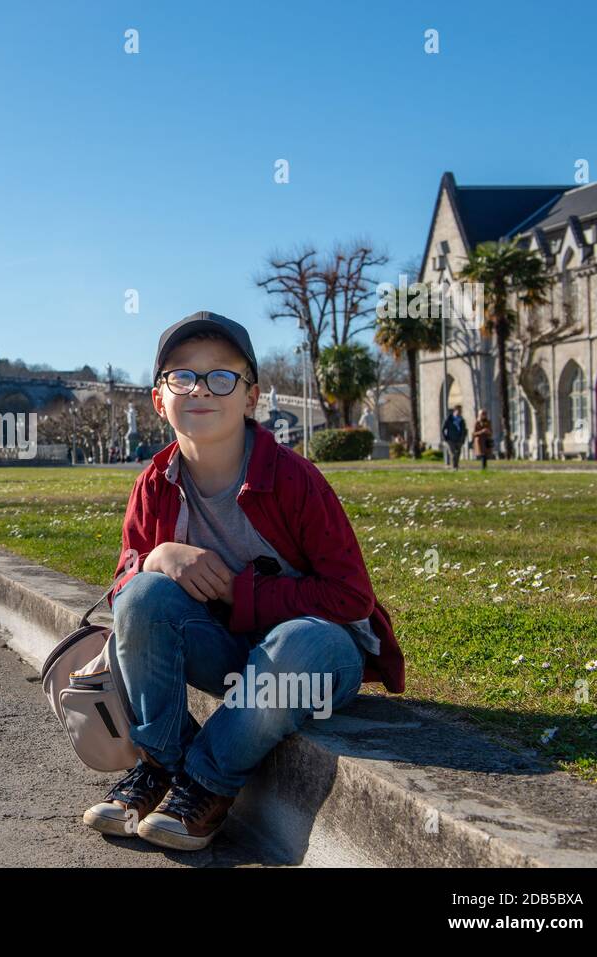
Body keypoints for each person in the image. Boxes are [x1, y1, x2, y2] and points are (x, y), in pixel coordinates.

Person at [83, 311, 404, 852]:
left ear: (251, 397)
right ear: (159, 400)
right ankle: (160, 764)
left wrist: (238, 591)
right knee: (143, 594)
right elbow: (122, 593)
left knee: (300, 641)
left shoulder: (293, 479)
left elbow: (351, 598)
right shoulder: (155, 485)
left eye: (222, 377)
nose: (201, 389)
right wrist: (156, 557)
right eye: (182, 376)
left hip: (317, 657)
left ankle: (205, 784)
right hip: (229, 656)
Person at [442, 404, 468, 469]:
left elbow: (464, 430)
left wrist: (463, 438)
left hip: (459, 439)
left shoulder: (462, 420)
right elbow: (443, 429)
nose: (459, 412)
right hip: (450, 439)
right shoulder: (449, 419)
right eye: (458, 411)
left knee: (458, 453)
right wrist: (445, 438)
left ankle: (456, 465)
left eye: (460, 411)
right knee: (453, 453)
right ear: (455, 411)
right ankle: (454, 467)